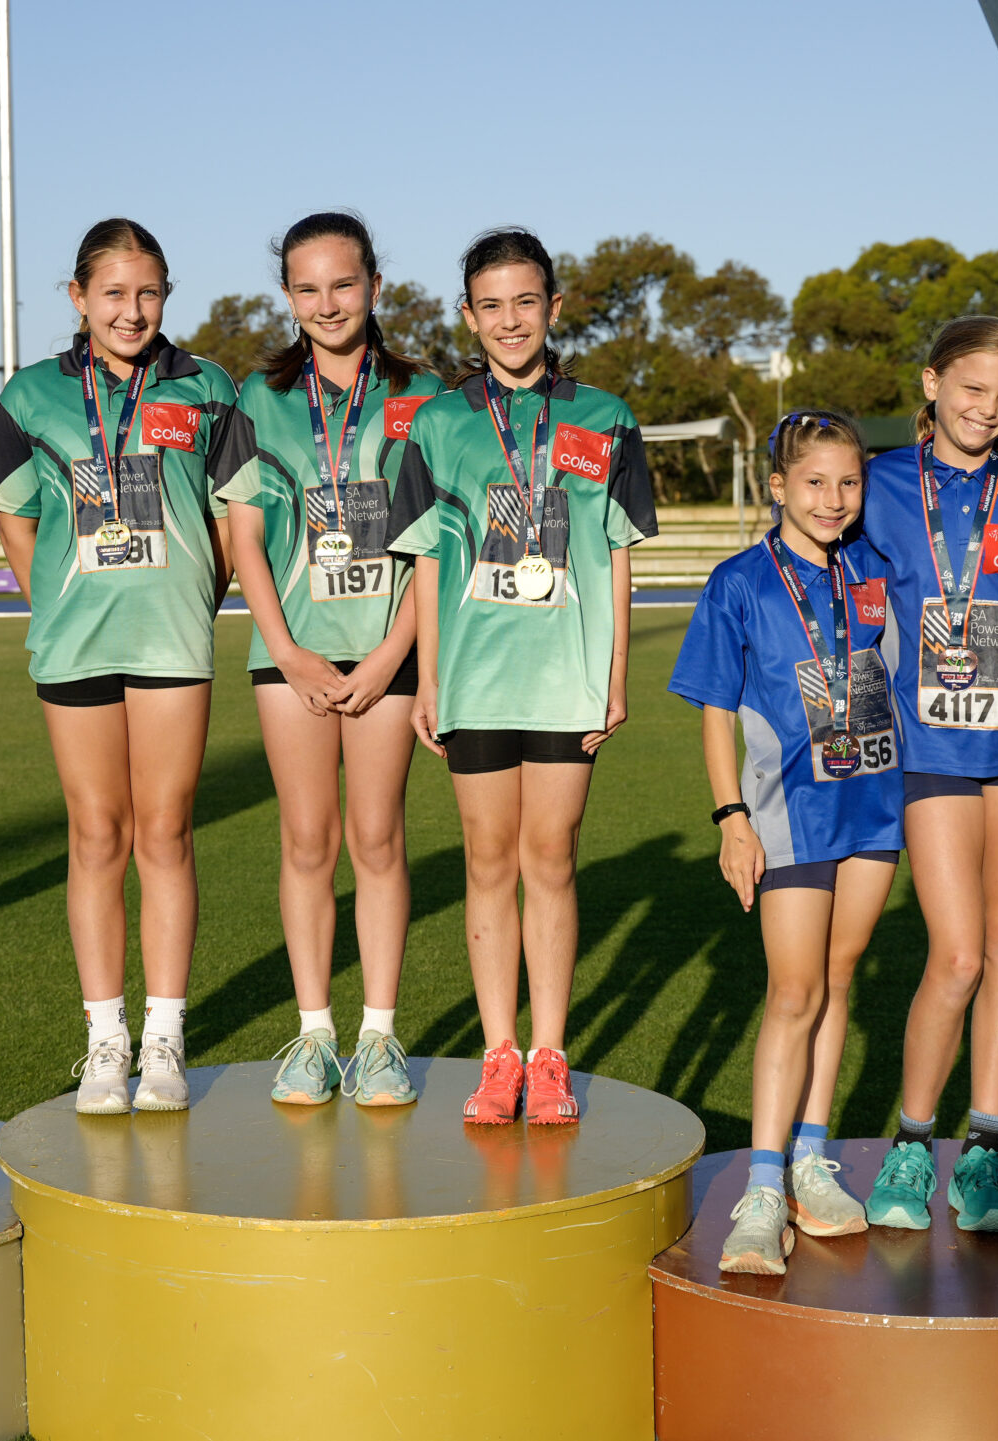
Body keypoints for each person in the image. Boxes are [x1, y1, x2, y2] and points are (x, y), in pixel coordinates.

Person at [389, 228, 658, 1125]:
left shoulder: (607, 416)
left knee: (551, 855)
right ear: (468, 316)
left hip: (564, 677)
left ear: (554, 306)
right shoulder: (438, 421)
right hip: (476, 679)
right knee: (488, 859)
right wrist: (429, 680)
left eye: (526, 302)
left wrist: (614, 673)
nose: (511, 321)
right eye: (492, 305)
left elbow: (618, 553)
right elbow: (428, 558)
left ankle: (549, 1056)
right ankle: (498, 1054)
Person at [0, 218, 239, 1115]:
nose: (133, 311)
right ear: (78, 297)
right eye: (114, 293)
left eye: (149, 292)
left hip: (171, 640)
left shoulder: (207, 387)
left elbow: (229, 517)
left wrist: (193, 596)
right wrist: (54, 603)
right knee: (96, 834)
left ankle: (164, 1037)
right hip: (76, 645)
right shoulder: (31, 394)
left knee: (165, 832)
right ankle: (105, 1039)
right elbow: (17, 519)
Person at [211, 213, 443, 1108]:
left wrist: (393, 655)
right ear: (287, 297)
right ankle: (314, 1036)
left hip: (389, 651)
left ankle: (378, 1037)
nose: (328, 303)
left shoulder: (424, 395)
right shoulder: (258, 399)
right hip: (294, 656)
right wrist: (287, 652)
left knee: (377, 838)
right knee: (307, 840)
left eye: (344, 283)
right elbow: (246, 537)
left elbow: (438, 542)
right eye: (307, 288)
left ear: (375, 285)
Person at [671, 411, 903, 1272]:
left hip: (874, 805)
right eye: (813, 482)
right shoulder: (739, 581)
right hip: (787, 812)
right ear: (777, 486)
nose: (833, 499)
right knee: (794, 990)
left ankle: (811, 1157)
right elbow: (714, 712)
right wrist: (731, 817)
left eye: (848, 482)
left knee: (838, 980)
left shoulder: (873, 568)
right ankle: (763, 1188)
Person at [855, 317, 998, 1234]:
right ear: (932, 383)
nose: (990, 408)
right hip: (930, 745)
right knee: (960, 952)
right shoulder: (880, 481)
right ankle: (910, 1141)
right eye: (973, 387)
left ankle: (984, 1154)